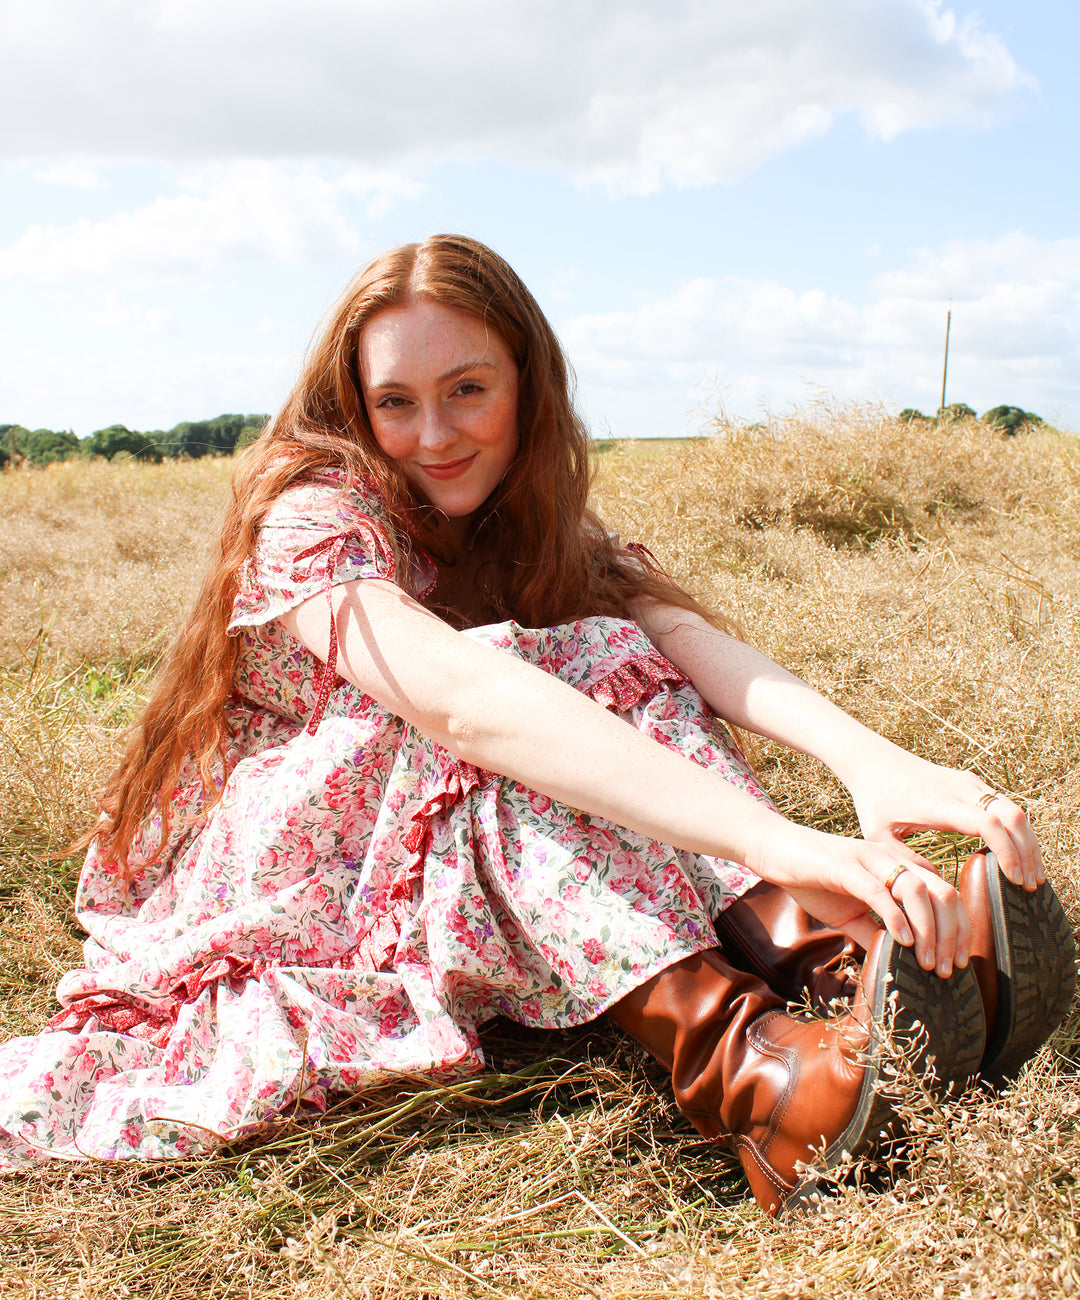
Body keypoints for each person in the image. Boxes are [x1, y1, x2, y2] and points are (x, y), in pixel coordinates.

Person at [0, 235, 1073, 1213]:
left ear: (526, 382)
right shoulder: (315, 514)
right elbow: (465, 702)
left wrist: (872, 765)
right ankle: (758, 1080)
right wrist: (777, 839)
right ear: (354, 406)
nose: (434, 435)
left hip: (439, 813)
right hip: (294, 859)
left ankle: (836, 968)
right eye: (396, 402)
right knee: (507, 694)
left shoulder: (536, 512)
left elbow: (684, 645)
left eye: (468, 389)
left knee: (608, 650)